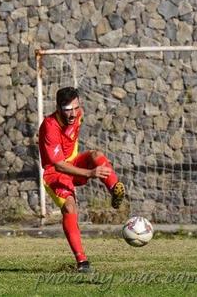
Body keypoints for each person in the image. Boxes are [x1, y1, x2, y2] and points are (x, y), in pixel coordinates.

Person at [38, 86, 125, 273]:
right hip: (55, 172)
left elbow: (74, 142)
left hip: (74, 163)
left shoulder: (79, 115)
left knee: (96, 155)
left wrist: (88, 168)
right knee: (69, 207)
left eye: (75, 108)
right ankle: (82, 261)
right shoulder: (49, 127)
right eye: (68, 109)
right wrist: (90, 173)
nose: (73, 114)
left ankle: (115, 190)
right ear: (58, 107)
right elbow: (59, 165)